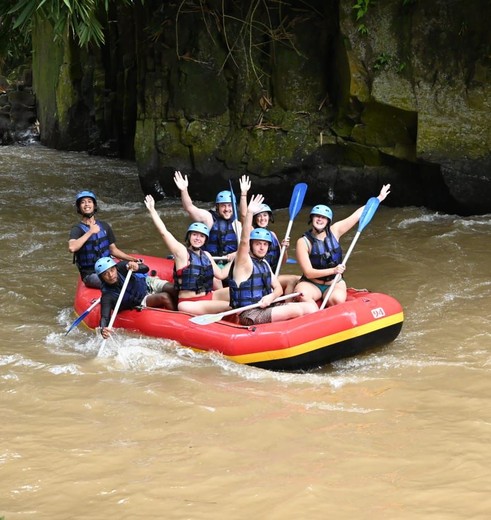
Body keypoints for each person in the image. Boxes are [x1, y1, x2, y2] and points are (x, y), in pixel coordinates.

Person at [294, 184, 391, 308]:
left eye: (324, 218)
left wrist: (379, 198)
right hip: (311, 283)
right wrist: (333, 270)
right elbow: (308, 273)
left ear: (328, 221)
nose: (320, 220)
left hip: (334, 283)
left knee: (336, 300)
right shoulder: (303, 242)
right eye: (317, 216)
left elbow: (356, 216)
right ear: (312, 218)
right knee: (301, 295)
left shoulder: (335, 231)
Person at [228, 193, 318, 326]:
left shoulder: (264, 263)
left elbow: (278, 289)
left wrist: (270, 297)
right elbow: (244, 240)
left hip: (265, 307)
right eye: (258, 244)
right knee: (297, 309)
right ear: (251, 245)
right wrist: (250, 213)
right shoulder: (244, 262)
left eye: (265, 244)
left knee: (311, 307)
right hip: (249, 314)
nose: (262, 248)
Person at [144, 194, 231, 314]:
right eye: (194, 235)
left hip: (208, 296)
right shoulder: (182, 253)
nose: (198, 238)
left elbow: (221, 274)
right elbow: (164, 233)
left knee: (239, 293)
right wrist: (153, 211)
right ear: (189, 236)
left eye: (201, 236)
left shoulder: (206, 255)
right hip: (189, 303)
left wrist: (237, 259)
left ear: (205, 240)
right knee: (230, 305)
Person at [238, 175, 299, 294]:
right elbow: (244, 216)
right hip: (257, 278)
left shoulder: (272, 235)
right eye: (259, 216)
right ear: (255, 218)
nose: (262, 218)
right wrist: (243, 194)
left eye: (265, 215)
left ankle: (286, 304)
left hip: (272, 276)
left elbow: (283, 261)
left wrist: (284, 249)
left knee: (295, 279)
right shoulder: (251, 232)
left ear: (269, 217)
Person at [68, 190, 139, 289]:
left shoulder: (104, 226)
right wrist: (90, 232)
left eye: (89, 201)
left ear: (94, 205)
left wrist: (132, 259)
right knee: (116, 283)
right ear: (79, 207)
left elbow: (113, 250)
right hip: (90, 273)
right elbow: (72, 247)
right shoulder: (77, 229)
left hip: (109, 268)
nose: (86, 204)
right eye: (83, 202)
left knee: (139, 271)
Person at [95, 257, 177, 339]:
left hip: (147, 283)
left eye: (112, 270)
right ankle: (177, 319)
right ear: (102, 278)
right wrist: (103, 329)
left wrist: (137, 267)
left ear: (116, 268)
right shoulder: (107, 295)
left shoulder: (122, 267)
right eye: (105, 274)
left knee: (174, 289)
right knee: (165, 297)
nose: (111, 275)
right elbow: (105, 317)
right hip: (142, 299)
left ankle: (184, 306)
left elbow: (145, 268)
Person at [173, 171, 238, 261]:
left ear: (234, 207)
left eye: (229, 205)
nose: (226, 209)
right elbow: (189, 208)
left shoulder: (238, 223)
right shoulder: (209, 218)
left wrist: (237, 253)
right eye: (223, 206)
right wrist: (184, 190)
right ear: (217, 207)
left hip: (231, 262)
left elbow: (247, 245)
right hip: (208, 261)